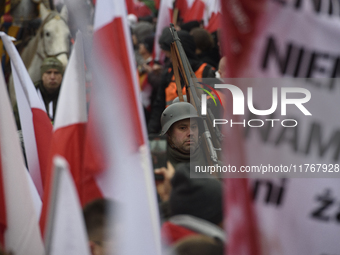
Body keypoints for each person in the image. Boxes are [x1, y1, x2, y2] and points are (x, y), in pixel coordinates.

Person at [147, 29, 216, 134]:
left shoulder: (206, 71)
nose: (168, 57)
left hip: (200, 134)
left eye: (171, 53)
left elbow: (213, 108)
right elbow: (159, 106)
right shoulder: (168, 74)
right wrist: (151, 132)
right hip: (172, 133)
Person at [159, 101, 208, 168]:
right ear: (169, 133)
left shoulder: (211, 160)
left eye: (193, 127)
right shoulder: (158, 165)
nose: (190, 133)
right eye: (182, 128)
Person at [35, 57, 64, 122]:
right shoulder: (31, 93)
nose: (52, 77)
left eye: (56, 73)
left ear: (62, 76)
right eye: (48, 72)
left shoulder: (69, 94)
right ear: (42, 76)